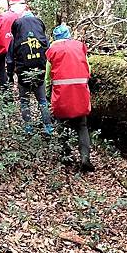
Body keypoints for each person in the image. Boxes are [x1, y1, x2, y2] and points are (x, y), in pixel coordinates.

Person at [45, 24, 94, 172]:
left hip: (61, 95)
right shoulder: (80, 47)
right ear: (69, 35)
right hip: (80, 93)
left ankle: (66, 156)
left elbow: (48, 77)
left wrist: (48, 94)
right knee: (82, 126)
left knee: (61, 124)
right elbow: (88, 69)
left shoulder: (52, 51)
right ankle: (85, 157)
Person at [9, 11, 53, 135]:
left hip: (23, 74)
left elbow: (10, 59)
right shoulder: (42, 38)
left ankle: (28, 128)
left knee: (24, 102)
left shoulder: (15, 39)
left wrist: (10, 76)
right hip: (40, 73)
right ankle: (48, 127)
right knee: (42, 101)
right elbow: (48, 54)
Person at [0, 2, 20, 86]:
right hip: (15, 43)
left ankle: (4, 85)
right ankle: (13, 79)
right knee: (15, 62)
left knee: (0, 65)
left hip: (1, 44)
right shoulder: (15, 15)